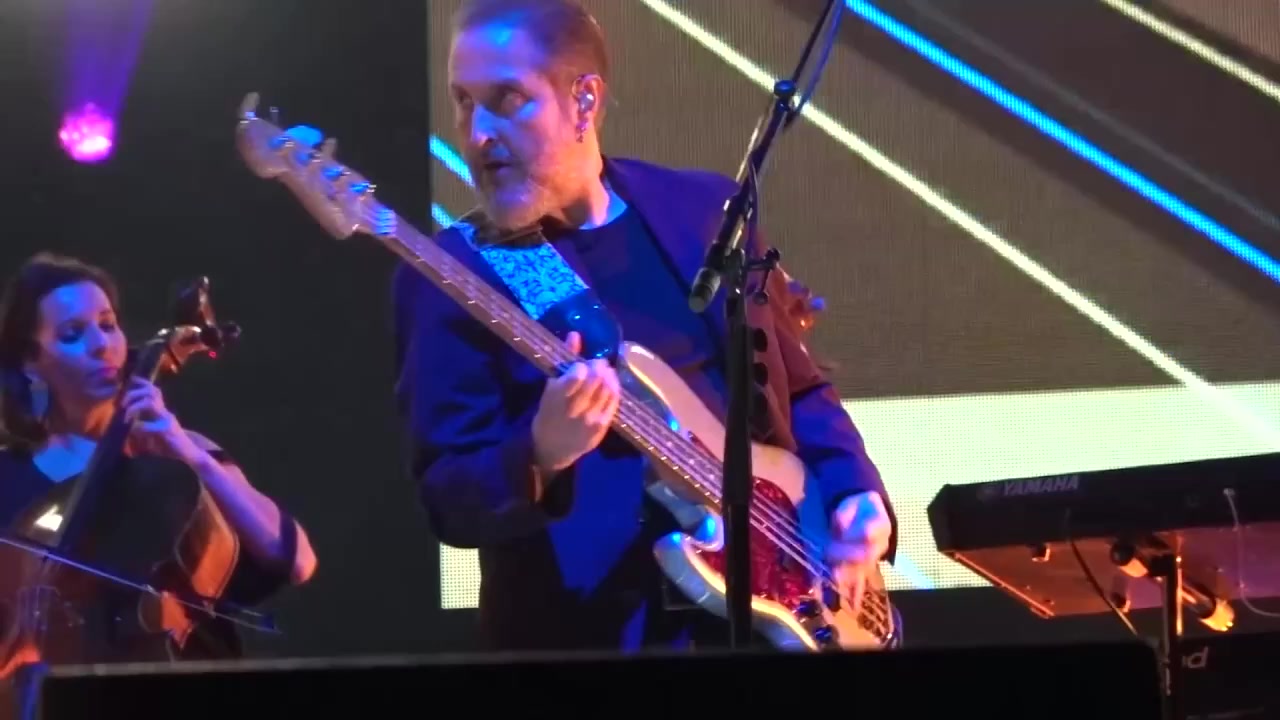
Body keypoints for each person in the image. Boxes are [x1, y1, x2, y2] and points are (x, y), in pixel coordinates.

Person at [393, 0, 896, 652]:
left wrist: (857, 491)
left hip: (778, 619)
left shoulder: (707, 211)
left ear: (584, 101)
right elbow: (449, 499)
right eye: (464, 103)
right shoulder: (452, 274)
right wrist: (540, 453)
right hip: (592, 647)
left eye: (507, 100)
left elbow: (798, 388)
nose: (478, 133)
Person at [0, 252, 318, 671]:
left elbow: (297, 561)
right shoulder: (8, 479)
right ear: (31, 361)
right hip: (59, 694)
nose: (102, 345)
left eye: (108, 325)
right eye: (73, 334)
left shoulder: (181, 452)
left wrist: (189, 454)